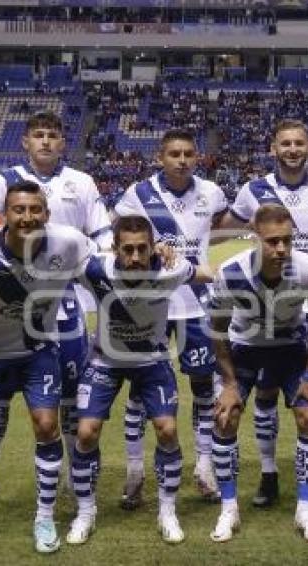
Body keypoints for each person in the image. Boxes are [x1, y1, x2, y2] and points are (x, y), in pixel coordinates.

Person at [0, 111, 113, 506]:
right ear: (25, 142)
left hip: (69, 305)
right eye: (38, 135)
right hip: (13, 301)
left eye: (53, 135)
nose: (46, 141)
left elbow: (102, 233)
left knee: (66, 396)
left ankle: (67, 473)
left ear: (63, 142)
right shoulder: (5, 179)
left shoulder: (81, 181)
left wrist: (110, 261)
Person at [0, 181, 96, 557]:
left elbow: (108, 265)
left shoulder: (69, 243)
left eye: (35, 210)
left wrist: (158, 255)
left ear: (46, 212)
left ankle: (44, 518)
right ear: (5, 214)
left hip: (37, 349)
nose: (27, 217)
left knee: (47, 425)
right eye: (18, 210)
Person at [66, 216, 214, 545]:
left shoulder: (169, 269)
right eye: (127, 249)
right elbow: (58, 264)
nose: (135, 257)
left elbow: (206, 273)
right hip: (106, 360)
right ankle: (86, 512)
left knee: (168, 429)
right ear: (114, 248)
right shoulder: (97, 270)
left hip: (153, 361)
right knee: (86, 432)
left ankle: (167, 510)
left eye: (142, 249)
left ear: (152, 247)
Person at [218, 119, 308, 507]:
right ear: (273, 148)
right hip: (260, 302)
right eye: (285, 143)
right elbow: (225, 227)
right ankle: (269, 474)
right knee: (266, 396)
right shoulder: (252, 189)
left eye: (299, 143)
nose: (292, 149)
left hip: (304, 294)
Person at [114, 128, 228, 507]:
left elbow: (221, 229)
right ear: (160, 157)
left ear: (198, 157)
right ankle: (134, 470)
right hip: (152, 305)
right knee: (139, 389)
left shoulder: (211, 193)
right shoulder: (138, 194)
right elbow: (115, 241)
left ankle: (205, 465)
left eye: (188, 154)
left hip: (197, 304)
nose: (182, 160)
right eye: (174, 153)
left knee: (203, 386)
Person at [209, 204, 308, 542]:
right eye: (272, 241)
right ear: (255, 239)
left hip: (290, 348)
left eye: (287, 241)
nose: (281, 249)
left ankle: (305, 510)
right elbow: (217, 331)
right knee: (225, 416)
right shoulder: (230, 274)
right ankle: (228, 509)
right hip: (244, 347)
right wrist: (230, 384)